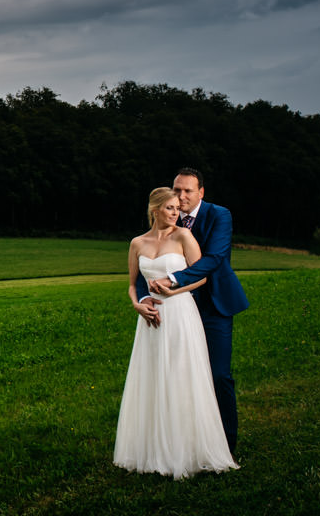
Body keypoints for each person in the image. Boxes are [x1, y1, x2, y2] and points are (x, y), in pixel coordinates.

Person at [114, 187, 238, 479]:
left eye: (177, 208)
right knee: (154, 378)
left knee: (182, 377)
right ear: (155, 210)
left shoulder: (184, 236)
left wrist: (172, 289)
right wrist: (138, 304)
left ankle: (188, 449)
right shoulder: (136, 243)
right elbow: (134, 284)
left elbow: (201, 278)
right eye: (170, 208)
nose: (176, 213)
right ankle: (153, 449)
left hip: (181, 314)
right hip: (150, 319)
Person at [143, 167, 249, 455]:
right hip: (176, 309)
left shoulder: (219, 215)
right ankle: (184, 441)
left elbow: (214, 258)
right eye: (177, 190)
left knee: (217, 374)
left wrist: (175, 280)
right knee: (178, 375)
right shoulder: (167, 216)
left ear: (201, 192)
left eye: (188, 191)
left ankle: (226, 444)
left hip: (214, 305)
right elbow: (150, 259)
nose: (182, 196)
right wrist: (145, 296)